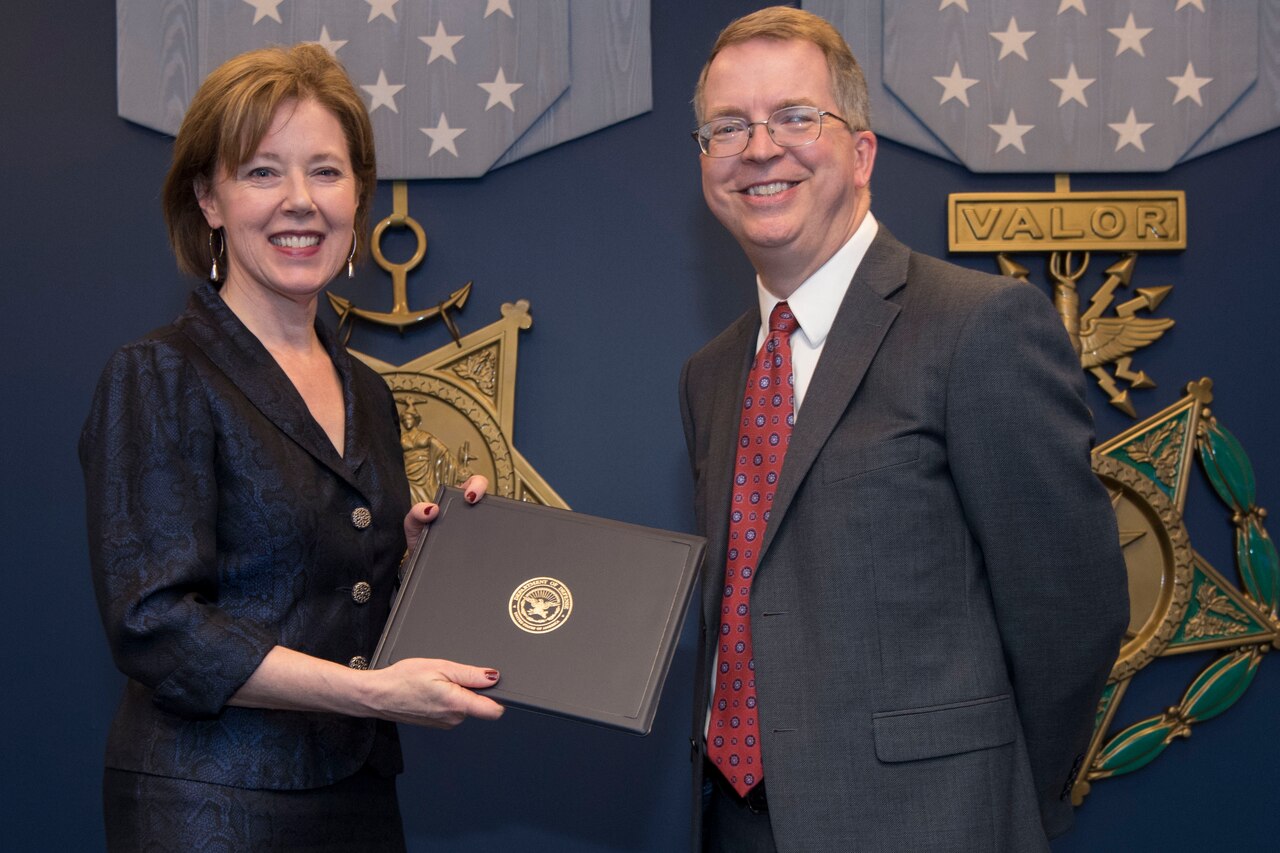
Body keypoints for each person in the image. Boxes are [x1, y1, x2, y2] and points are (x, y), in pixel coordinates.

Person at [679, 8, 1130, 853]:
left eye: (795, 117)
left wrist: (988, 797)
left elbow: (1072, 608)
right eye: (727, 127)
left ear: (861, 153)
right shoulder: (710, 373)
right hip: (731, 823)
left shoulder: (980, 327)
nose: (760, 148)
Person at [80, 44, 502, 852]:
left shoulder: (368, 391)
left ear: (360, 199)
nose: (300, 202)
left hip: (358, 797)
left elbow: (335, 596)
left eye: (327, 172)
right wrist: (370, 693)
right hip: (208, 807)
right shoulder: (159, 374)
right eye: (263, 172)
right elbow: (156, 626)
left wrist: (414, 563)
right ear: (208, 198)